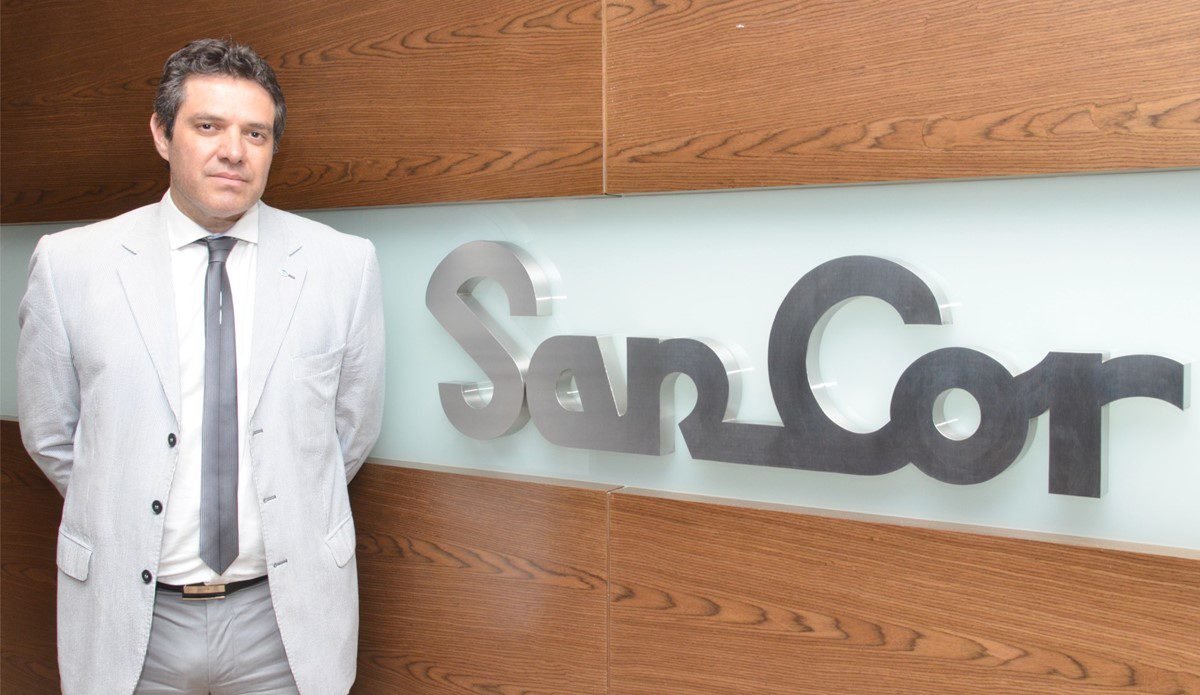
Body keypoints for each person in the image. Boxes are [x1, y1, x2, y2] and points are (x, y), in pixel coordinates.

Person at [17, 38, 385, 694]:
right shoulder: (71, 264)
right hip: (131, 615)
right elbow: (53, 434)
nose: (234, 151)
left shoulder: (343, 266)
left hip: (284, 618)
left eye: (256, 133)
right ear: (162, 134)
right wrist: (124, 498)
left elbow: (348, 433)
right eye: (208, 126)